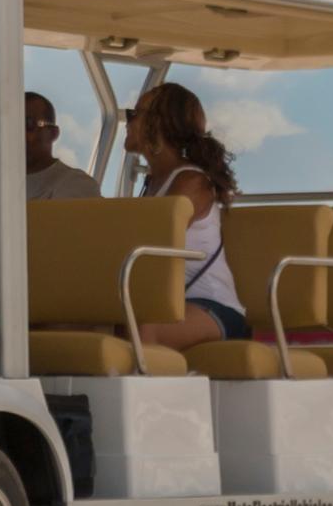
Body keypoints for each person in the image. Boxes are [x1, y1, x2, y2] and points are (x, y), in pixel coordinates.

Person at [123, 81, 252, 352]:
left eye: (135, 114)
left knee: (146, 330)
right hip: (168, 305)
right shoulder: (153, 183)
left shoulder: (191, 182)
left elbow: (156, 240)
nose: (127, 121)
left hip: (214, 308)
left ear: (157, 124)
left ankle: (151, 396)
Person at [21, 92, 102, 202]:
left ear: (53, 133)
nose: (18, 133)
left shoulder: (76, 185)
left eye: (28, 124)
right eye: (12, 125)